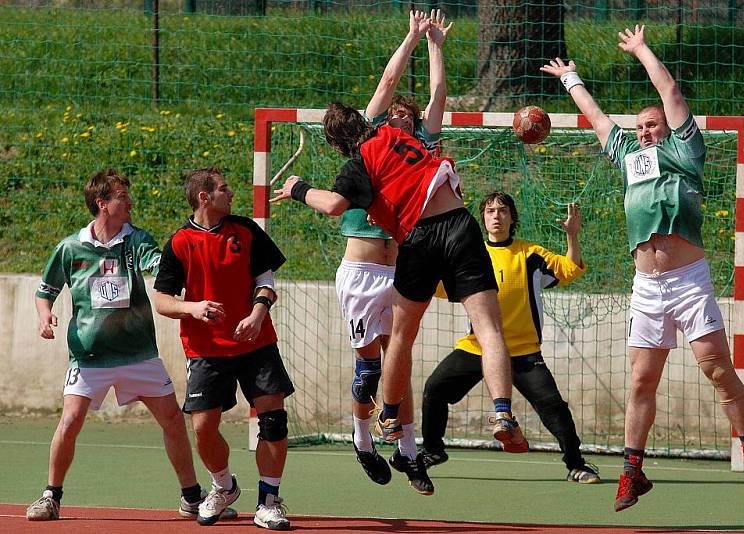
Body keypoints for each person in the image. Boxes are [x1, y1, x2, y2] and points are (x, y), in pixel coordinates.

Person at [541, 24, 744, 511]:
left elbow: (667, 90)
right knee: (642, 381)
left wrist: (641, 50)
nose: (645, 129)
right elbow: (599, 118)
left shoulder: (685, 152)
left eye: (652, 124)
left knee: (716, 369)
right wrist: (571, 79)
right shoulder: (628, 155)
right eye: (640, 125)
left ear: (668, 128)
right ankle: (633, 471)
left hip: (688, 282)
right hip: (646, 286)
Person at [272, 66, 528, 462]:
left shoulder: (359, 162)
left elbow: (333, 205)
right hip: (460, 224)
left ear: (338, 144)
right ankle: (503, 413)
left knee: (401, 335)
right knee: (489, 328)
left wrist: (297, 189)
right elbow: (401, 93)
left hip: (420, 239)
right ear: (367, 121)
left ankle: (389, 416)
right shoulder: (398, 133)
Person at [26, 169, 236, 522]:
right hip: (89, 357)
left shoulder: (136, 240)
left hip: (139, 355)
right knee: (70, 421)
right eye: (122, 196)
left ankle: (191, 496)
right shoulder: (70, 248)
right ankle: (51, 496)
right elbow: (45, 291)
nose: (130, 201)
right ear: (102, 204)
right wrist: (44, 317)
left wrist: (183, 268)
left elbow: (158, 264)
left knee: (172, 419)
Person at [338, 9, 452, 496]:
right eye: (396, 114)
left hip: (402, 264)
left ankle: (407, 450)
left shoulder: (421, 147)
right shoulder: (371, 140)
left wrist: (437, 45)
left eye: (410, 115)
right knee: (369, 365)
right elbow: (388, 80)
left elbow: (438, 97)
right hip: (364, 266)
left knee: (397, 363)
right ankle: (363, 440)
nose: (403, 117)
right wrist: (410, 37)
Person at [421, 192, 600, 485]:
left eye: (502, 211)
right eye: (490, 211)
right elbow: (438, 285)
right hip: (477, 347)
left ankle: (576, 464)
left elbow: (569, 269)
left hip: (523, 351)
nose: (496, 216)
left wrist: (572, 236)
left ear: (512, 218)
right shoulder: (469, 254)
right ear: (482, 218)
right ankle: (432, 450)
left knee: (554, 407)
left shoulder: (530, 255)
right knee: (434, 389)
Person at [154, 167, 294, 530]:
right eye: (223, 189)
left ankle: (269, 501)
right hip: (206, 349)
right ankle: (223, 486)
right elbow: (163, 301)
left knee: (274, 419)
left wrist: (258, 312)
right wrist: (193, 308)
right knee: (203, 427)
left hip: (255, 342)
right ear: (204, 197)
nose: (231, 194)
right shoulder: (180, 242)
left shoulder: (245, 230)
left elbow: (266, 278)